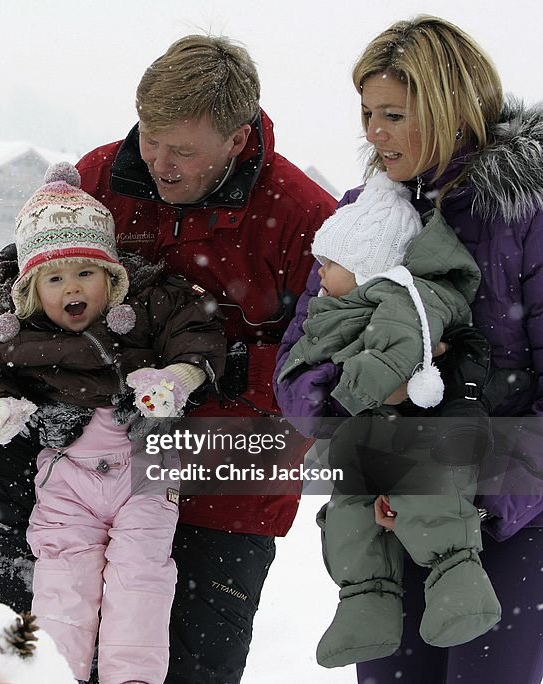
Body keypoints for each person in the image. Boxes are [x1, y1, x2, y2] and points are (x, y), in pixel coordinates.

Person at [0, 34, 337, 683]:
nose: (160, 162)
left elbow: (324, 361)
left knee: (176, 665)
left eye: (184, 151)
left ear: (235, 138)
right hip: (82, 437)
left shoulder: (303, 217)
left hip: (222, 465)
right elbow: (18, 274)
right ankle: (54, 644)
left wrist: (200, 384)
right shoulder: (101, 176)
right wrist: (37, 380)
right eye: (151, 137)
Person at [274, 15, 543, 684]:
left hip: (513, 517)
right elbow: (300, 363)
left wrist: (472, 494)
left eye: (392, 113)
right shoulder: (362, 216)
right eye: (367, 113)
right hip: (388, 507)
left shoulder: (526, 213)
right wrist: (363, 401)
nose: (373, 132)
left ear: (451, 109)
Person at [0, 162, 225, 684]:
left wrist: (176, 378)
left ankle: (133, 677)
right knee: (62, 579)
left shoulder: (150, 305)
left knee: (140, 578)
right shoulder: (17, 332)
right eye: (54, 278)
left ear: (111, 276)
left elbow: (200, 335)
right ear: (33, 290)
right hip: (67, 475)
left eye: (85, 274)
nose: (71, 289)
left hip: (144, 468)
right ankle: (56, 673)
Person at [276, 170, 503, 667]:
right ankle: (365, 603)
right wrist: (322, 400)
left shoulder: (400, 299)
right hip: (360, 445)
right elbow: (294, 367)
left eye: (330, 263)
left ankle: (460, 585)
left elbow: (395, 353)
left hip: (410, 435)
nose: (320, 273)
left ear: (368, 267)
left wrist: (347, 390)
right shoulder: (335, 307)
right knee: (350, 520)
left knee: (431, 507)